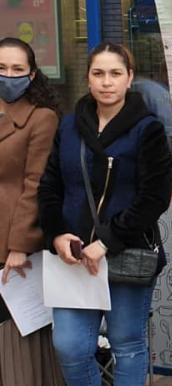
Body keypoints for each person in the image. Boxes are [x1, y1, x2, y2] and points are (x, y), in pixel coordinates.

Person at [37, 42, 172, 386]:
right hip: (73, 255)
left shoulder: (148, 128)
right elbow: (50, 186)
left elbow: (155, 197)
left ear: (129, 78)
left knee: (126, 345)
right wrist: (56, 235)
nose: (106, 82)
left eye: (115, 73)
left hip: (126, 251)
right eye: (98, 73)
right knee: (69, 346)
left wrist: (108, 241)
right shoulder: (68, 127)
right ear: (88, 79)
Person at [0, 37, 65, 386]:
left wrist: (19, 245)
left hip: (11, 246)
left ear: (32, 74)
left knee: (16, 341)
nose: (8, 76)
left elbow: (34, 184)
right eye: (1, 69)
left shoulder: (42, 119)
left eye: (16, 70)